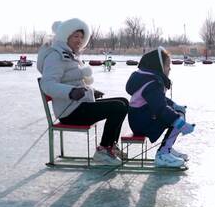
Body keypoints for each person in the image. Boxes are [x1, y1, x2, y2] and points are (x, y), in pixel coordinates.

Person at [37, 18, 128, 165]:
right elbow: (47, 84)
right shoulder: (56, 56)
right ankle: (103, 151)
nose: (79, 40)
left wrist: (91, 90)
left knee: (123, 102)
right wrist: (71, 92)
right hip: (70, 112)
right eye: (75, 36)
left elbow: (74, 80)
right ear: (65, 36)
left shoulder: (70, 55)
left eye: (81, 37)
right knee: (117, 107)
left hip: (80, 105)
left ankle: (111, 146)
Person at [125, 46, 195, 168]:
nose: (170, 68)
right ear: (159, 66)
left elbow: (158, 100)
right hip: (142, 123)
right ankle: (163, 154)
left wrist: (174, 105)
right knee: (177, 117)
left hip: (141, 118)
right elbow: (160, 108)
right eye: (167, 65)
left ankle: (167, 147)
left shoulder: (149, 78)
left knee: (178, 113)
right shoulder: (152, 83)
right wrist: (180, 123)